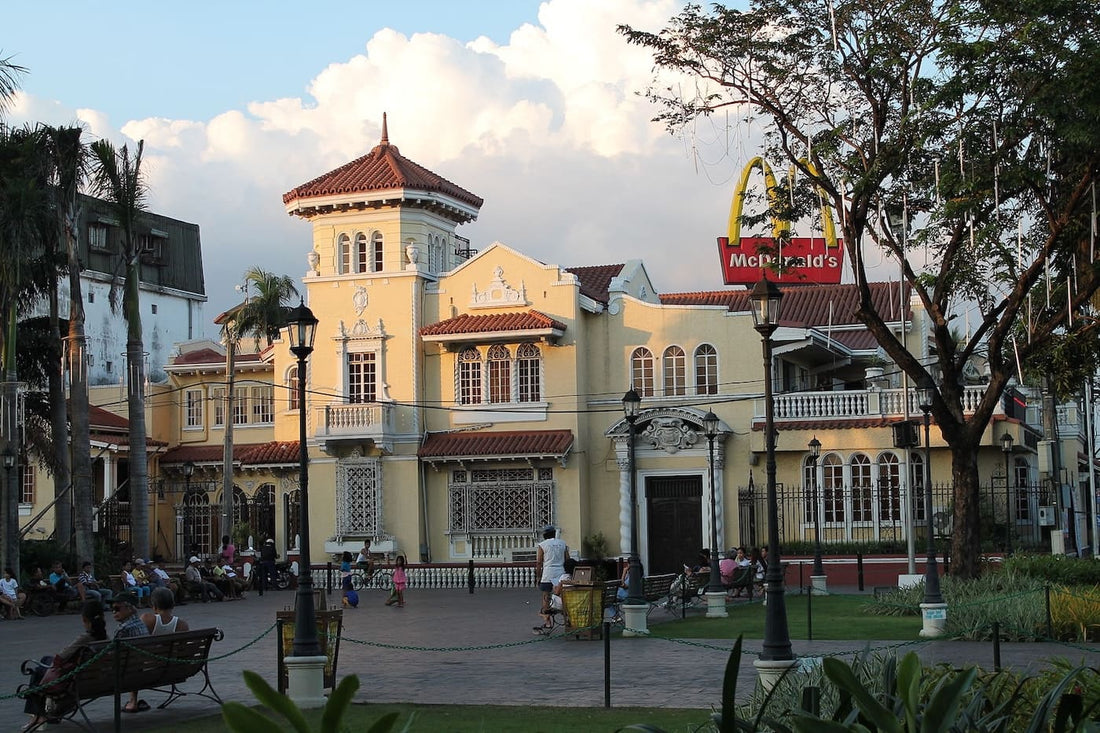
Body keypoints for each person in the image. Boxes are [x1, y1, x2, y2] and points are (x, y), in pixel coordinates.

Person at [22, 599, 108, 731]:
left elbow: (60, 658)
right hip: (98, 681)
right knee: (45, 661)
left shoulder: (85, 638)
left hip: (74, 683)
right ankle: (43, 714)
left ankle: (37, 715)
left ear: (85, 619)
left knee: (38, 671)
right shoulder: (106, 639)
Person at [124, 587, 190, 714]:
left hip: (150, 669)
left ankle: (133, 701)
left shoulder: (148, 619)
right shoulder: (182, 625)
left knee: (133, 661)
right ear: (173, 604)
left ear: (153, 605)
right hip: (175, 669)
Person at [534, 525, 569, 625]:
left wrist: (538, 576)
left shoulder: (542, 545)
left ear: (545, 535)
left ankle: (548, 621)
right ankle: (567, 619)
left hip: (547, 574)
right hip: (560, 574)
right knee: (562, 597)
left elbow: (539, 562)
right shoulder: (562, 544)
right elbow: (567, 559)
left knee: (546, 596)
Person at [535, 557, 577, 632]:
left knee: (549, 600)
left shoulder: (563, 577)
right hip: (575, 602)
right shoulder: (577, 577)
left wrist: (555, 588)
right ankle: (568, 620)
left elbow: (557, 593)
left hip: (563, 604)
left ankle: (545, 615)